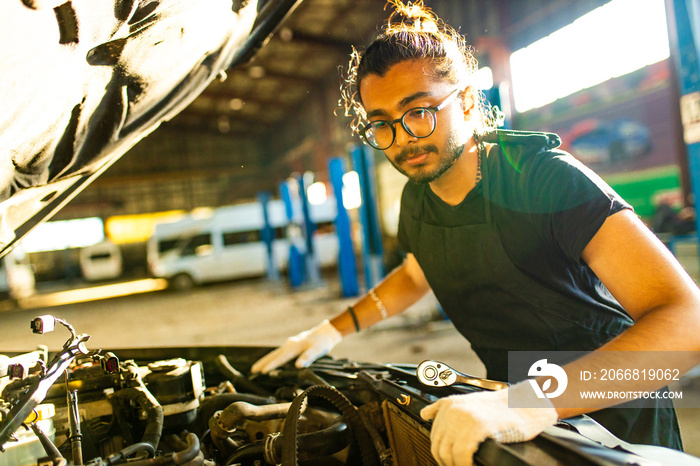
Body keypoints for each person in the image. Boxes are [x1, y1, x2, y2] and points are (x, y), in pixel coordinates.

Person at [252, 2, 700, 465]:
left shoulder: (543, 177)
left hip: (614, 422)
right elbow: (416, 273)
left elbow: (687, 324)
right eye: (381, 124)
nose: (402, 138)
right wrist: (330, 329)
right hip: (509, 413)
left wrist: (533, 401)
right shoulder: (418, 198)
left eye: (419, 111)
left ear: (466, 100)